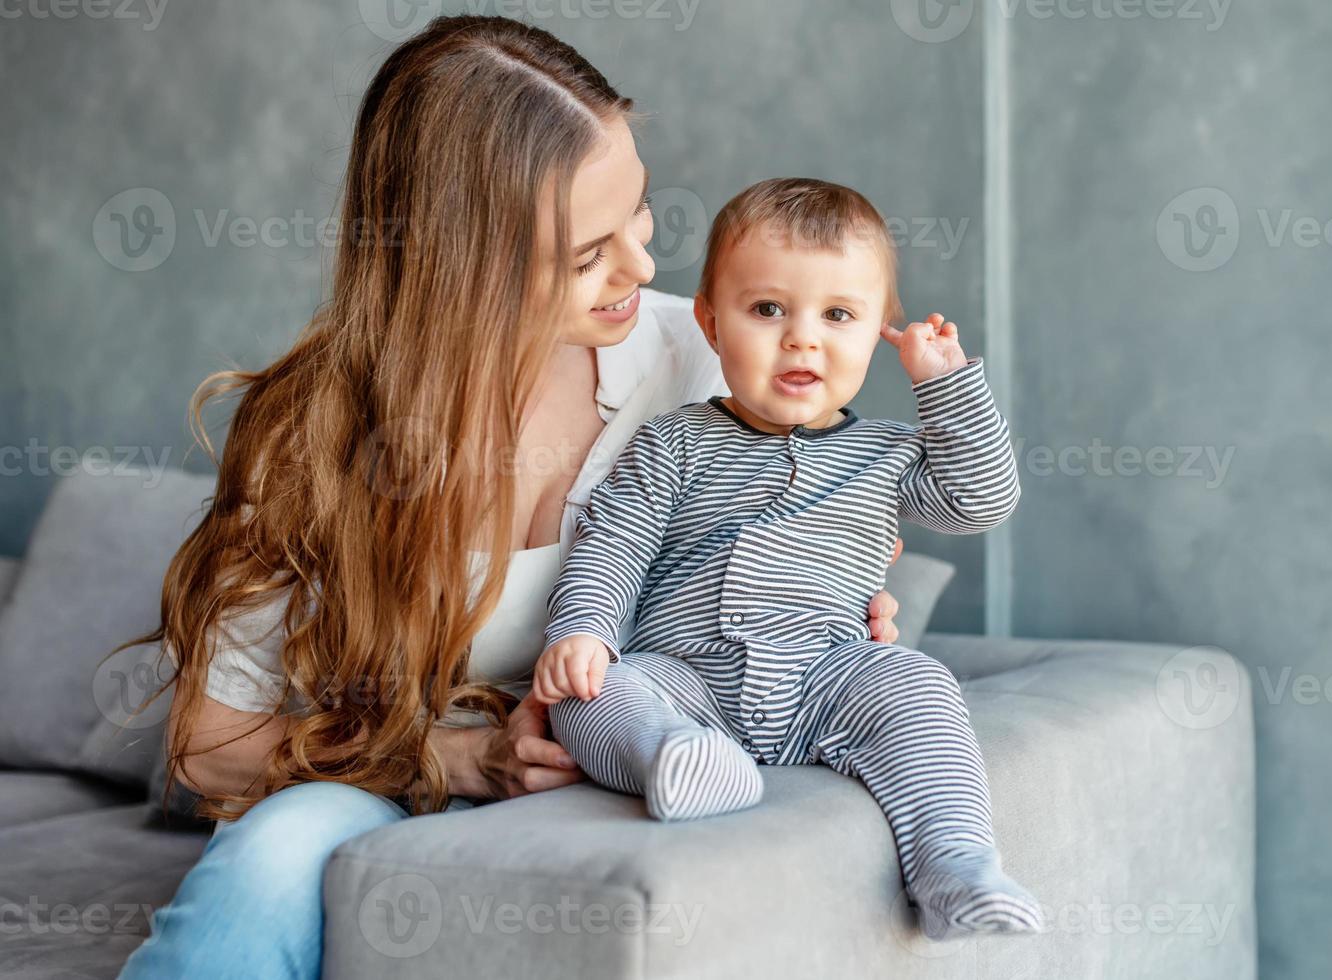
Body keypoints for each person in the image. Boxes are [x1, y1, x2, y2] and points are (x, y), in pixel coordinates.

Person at [116, 16, 901, 980]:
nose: (644, 271)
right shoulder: (314, 431)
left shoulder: (706, 363)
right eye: (585, 256)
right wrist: (463, 758)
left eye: (641, 215)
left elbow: (842, 498)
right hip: (387, 775)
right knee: (273, 858)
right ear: (459, 263)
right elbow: (209, 748)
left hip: (646, 754)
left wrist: (825, 588)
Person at [530, 177, 1043, 939]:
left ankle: (956, 865)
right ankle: (676, 759)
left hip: (825, 673)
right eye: (766, 309)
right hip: (686, 675)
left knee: (917, 684)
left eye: (838, 315)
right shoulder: (674, 442)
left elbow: (982, 500)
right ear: (709, 320)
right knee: (586, 693)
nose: (802, 338)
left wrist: (946, 388)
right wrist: (584, 633)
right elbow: (616, 542)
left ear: (878, 333)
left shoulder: (888, 455)